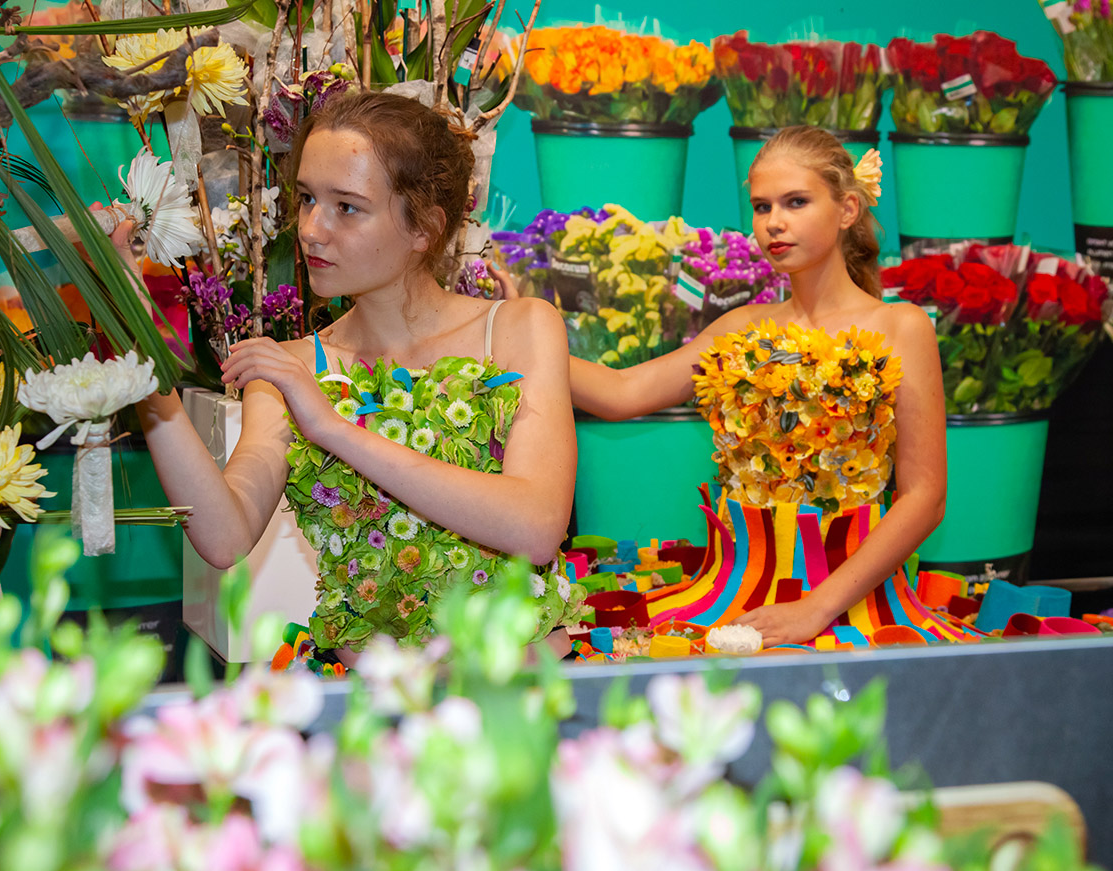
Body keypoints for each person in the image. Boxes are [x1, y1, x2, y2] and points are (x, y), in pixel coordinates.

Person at [131, 90, 583, 662]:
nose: (312, 229)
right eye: (306, 199)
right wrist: (142, 372)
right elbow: (224, 536)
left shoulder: (518, 328)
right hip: (373, 716)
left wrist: (335, 430)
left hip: (519, 698)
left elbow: (536, 525)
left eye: (347, 206)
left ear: (424, 226)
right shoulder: (290, 368)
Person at [564, 126, 972, 650]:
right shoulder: (740, 329)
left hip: (860, 609)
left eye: (796, 202)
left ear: (848, 209)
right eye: (761, 207)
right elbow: (619, 394)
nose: (773, 222)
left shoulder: (901, 326)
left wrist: (815, 609)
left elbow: (926, 497)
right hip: (735, 602)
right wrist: (512, 328)